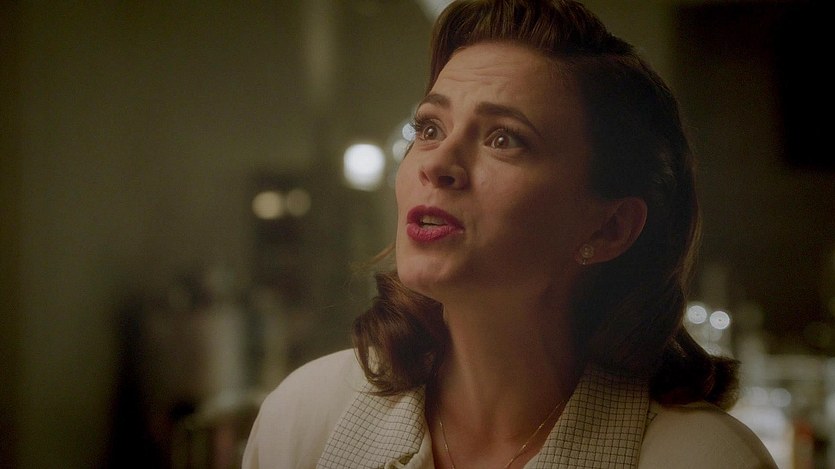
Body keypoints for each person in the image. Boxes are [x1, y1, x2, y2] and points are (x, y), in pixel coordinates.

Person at [242, 1, 778, 467]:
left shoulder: (705, 458)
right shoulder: (305, 418)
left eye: (504, 139)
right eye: (429, 128)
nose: (437, 163)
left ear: (609, 228)